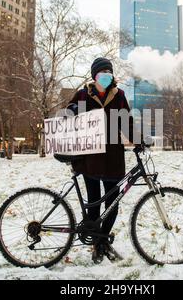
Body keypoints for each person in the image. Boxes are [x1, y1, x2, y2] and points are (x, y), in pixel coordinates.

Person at [66, 57, 141, 264]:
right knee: (93, 202)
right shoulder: (83, 94)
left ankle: (102, 242)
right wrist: (71, 110)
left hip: (113, 157)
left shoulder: (120, 95)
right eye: (102, 74)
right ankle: (97, 242)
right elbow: (68, 114)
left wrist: (138, 141)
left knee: (112, 203)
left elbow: (126, 122)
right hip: (89, 157)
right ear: (94, 76)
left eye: (109, 73)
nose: (106, 76)